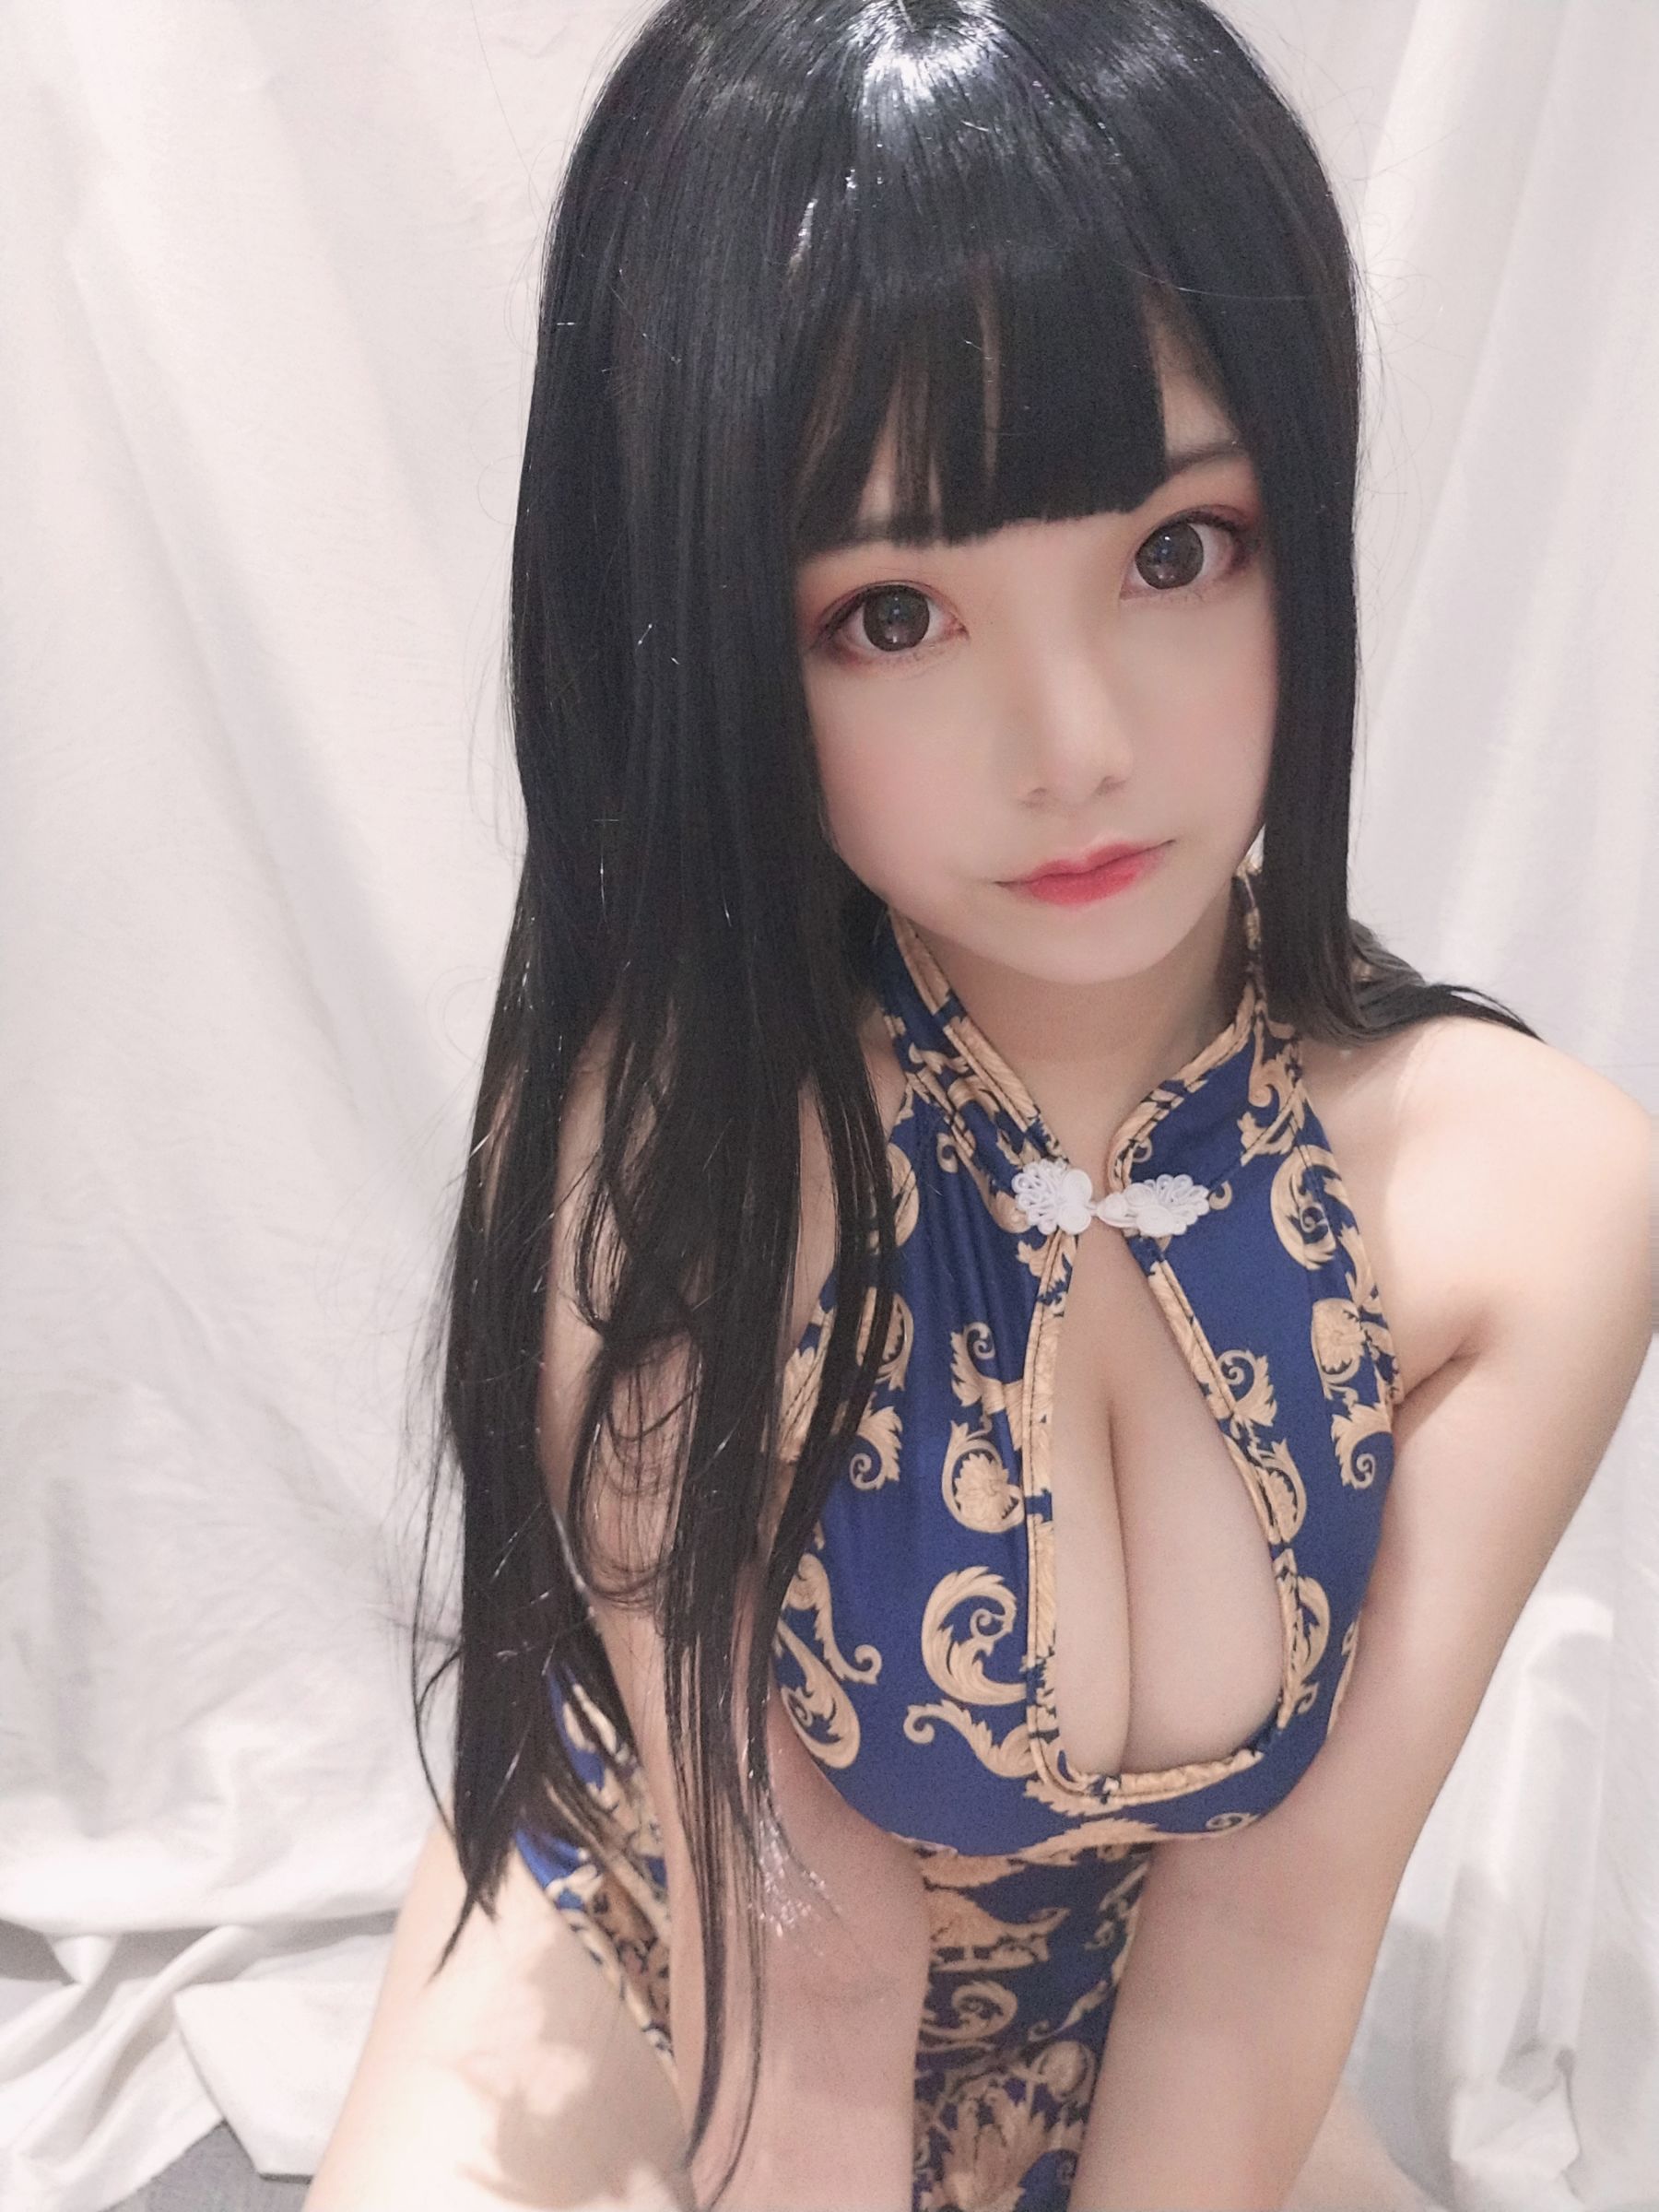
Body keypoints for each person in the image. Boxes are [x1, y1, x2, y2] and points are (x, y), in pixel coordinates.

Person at [306, 2, 1653, 2207]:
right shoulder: (686, 1173)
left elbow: (1270, 1929)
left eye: (1177, 550)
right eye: (893, 612)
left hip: (1139, 2032)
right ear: (718, 634)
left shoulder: (1535, 1205)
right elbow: (809, 1996)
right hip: (664, 1995)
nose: (1076, 743)